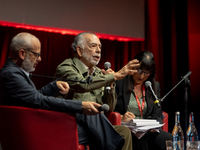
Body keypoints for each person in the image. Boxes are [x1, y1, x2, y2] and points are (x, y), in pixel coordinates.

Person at [0, 32, 131, 150]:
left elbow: (34, 96)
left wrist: (54, 86)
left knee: (111, 131)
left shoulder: (14, 73)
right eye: (37, 55)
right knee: (92, 119)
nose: (39, 59)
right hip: (32, 130)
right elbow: (38, 100)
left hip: (36, 125)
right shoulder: (11, 75)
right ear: (22, 53)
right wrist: (81, 106)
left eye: (100, 47)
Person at [55, 32, 140, 150]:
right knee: (90, 111)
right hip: (72, 125)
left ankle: (110, 142)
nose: (98, 50)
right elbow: (83, 84)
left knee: (124, 131)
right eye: (93, 46)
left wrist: (110, 84)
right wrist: (114, 76)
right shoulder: (66, 67)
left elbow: (109, 107)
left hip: (95, 126)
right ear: (79, 50)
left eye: (100, 47)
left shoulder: (100, 73)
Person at [114, 51, 172, 150]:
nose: (141, 76)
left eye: (146, 73)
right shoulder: (120, 82)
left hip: (146, 131)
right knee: (141, 144)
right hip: (128, 129)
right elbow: (109, 109)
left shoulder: (154, 86)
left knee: (170, 140)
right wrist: (121, 117)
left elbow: (158, 114)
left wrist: (154, 126)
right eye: (139, 70)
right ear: (133, 67)